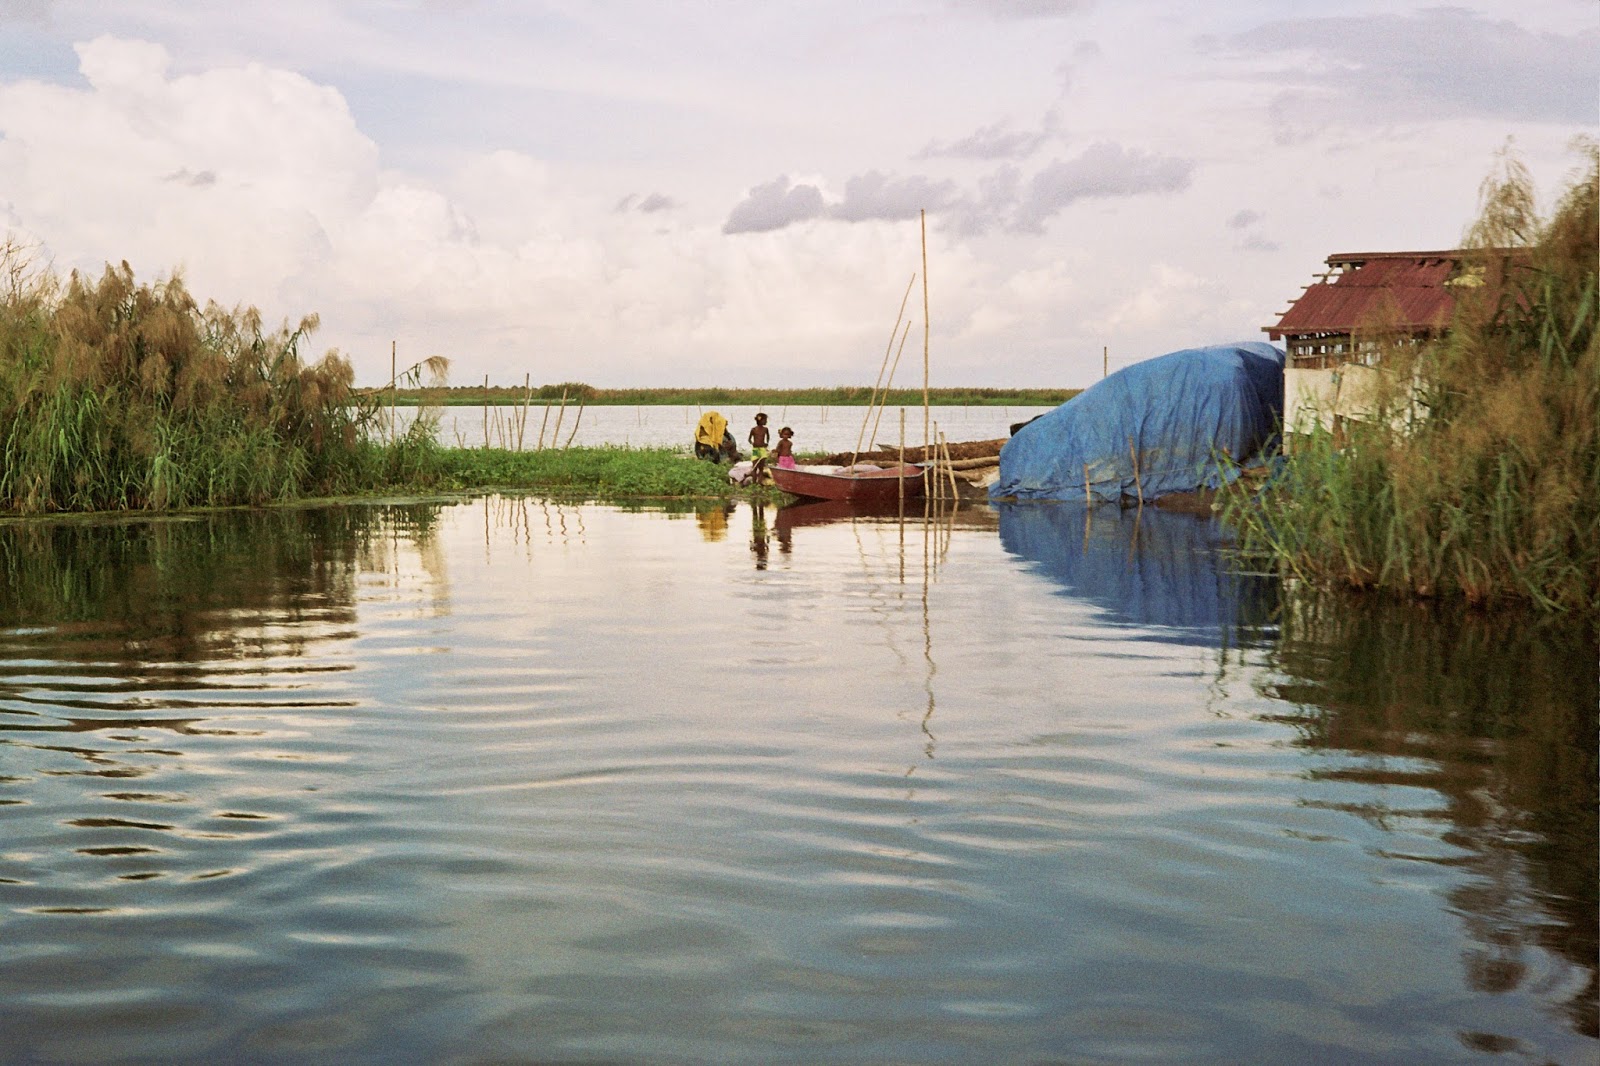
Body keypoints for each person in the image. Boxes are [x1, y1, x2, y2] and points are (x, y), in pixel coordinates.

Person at [748, 412, 771, 478]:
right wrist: (752, 443)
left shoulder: (765, 429)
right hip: (755, 449)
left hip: (762, 449)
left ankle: (760, 481)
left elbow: (768, 437)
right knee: (754, 466)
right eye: (765, 420)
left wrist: (767, 443)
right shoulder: (754, 429)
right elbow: (749, 439)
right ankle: (754, 482)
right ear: (760, 420)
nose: (766, 421)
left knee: (761, 467)